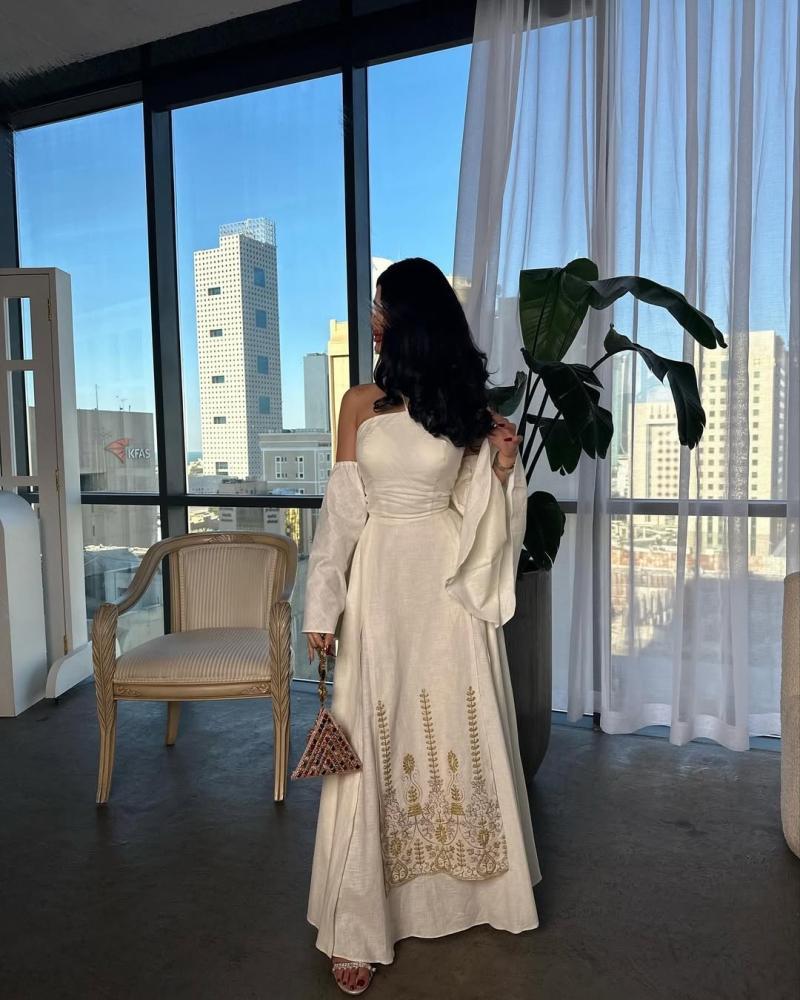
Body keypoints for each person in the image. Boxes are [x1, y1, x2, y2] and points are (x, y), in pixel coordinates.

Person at [301, 257, 541, 995]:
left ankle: (473, 894)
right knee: (375, 734)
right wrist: (322, 606)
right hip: (379, 585)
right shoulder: (358, 403)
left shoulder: (461, 406)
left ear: (414, 319)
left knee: (457, 726)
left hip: (445, 588)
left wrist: (502, 466)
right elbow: (342, 513)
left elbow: (476, 511)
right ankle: (358, 922)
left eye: (383, 308)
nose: (374, 319)